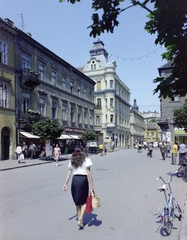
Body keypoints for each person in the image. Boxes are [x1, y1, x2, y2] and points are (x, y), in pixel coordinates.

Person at [63, 148, 94, 229]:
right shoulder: (86, 160)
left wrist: (65, 183)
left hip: (75, 180)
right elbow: (89, 172)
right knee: (84, 201)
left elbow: (69, 172)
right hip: (83, 180)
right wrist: (92, 184)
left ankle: (80, 219)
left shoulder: (72, 161)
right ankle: (80, 219)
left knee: (77, 202)